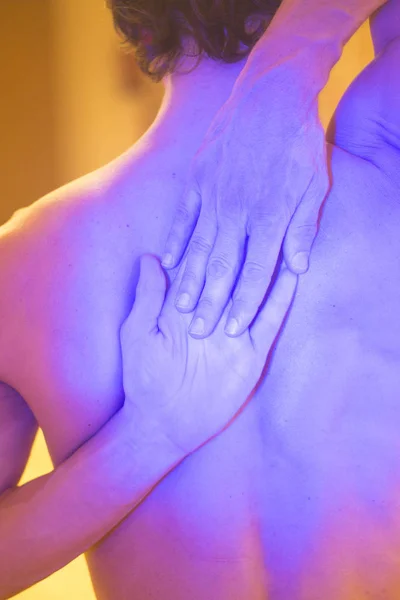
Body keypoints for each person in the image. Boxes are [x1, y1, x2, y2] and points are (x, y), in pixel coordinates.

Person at [0, 0, 399, 598]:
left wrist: (143, 443)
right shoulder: (387, 172)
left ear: (132, 25)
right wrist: (298, 55)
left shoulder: (24, 258)